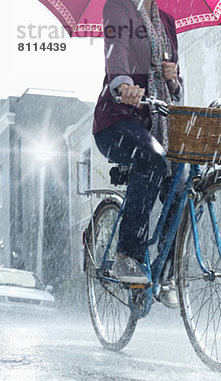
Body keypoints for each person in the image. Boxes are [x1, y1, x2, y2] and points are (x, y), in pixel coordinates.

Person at [92, 0, 184, 308]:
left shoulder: (167, 22)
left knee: (182, 186)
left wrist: (174, 78)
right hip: (117, 121)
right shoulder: (119, 7)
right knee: (152, 158)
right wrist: (123, 84)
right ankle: (127, 256)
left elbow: (174, 85)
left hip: (158, 123)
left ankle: (167, 273)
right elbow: (116, 50)